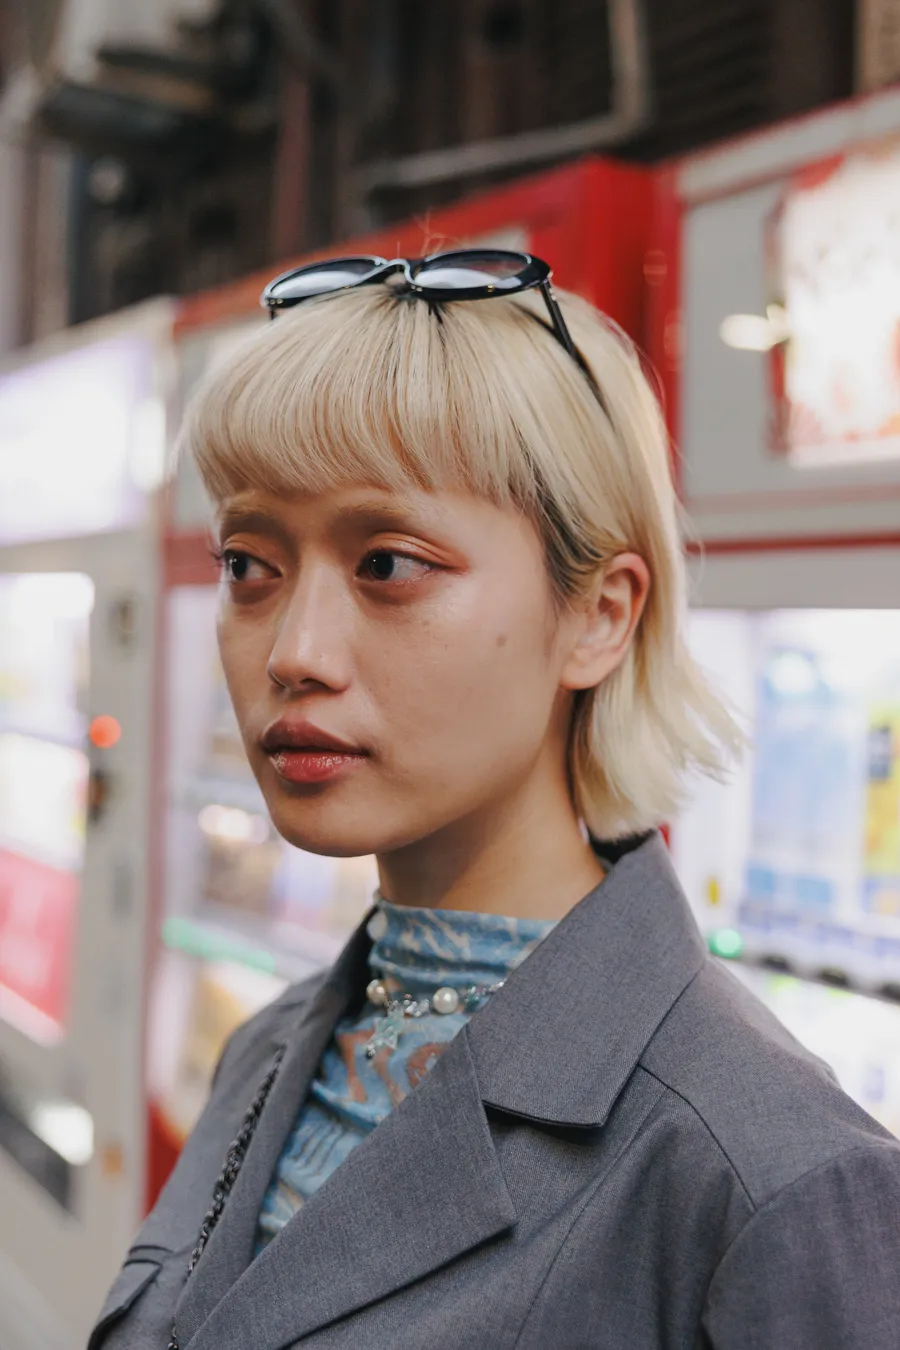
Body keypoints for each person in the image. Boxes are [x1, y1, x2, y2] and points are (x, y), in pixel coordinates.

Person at [89, 252, 900, 1350]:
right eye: (247, 564)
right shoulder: (274, 1046)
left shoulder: (766, 1176)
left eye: (388, 565)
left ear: (599, 616)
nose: (293, 652)